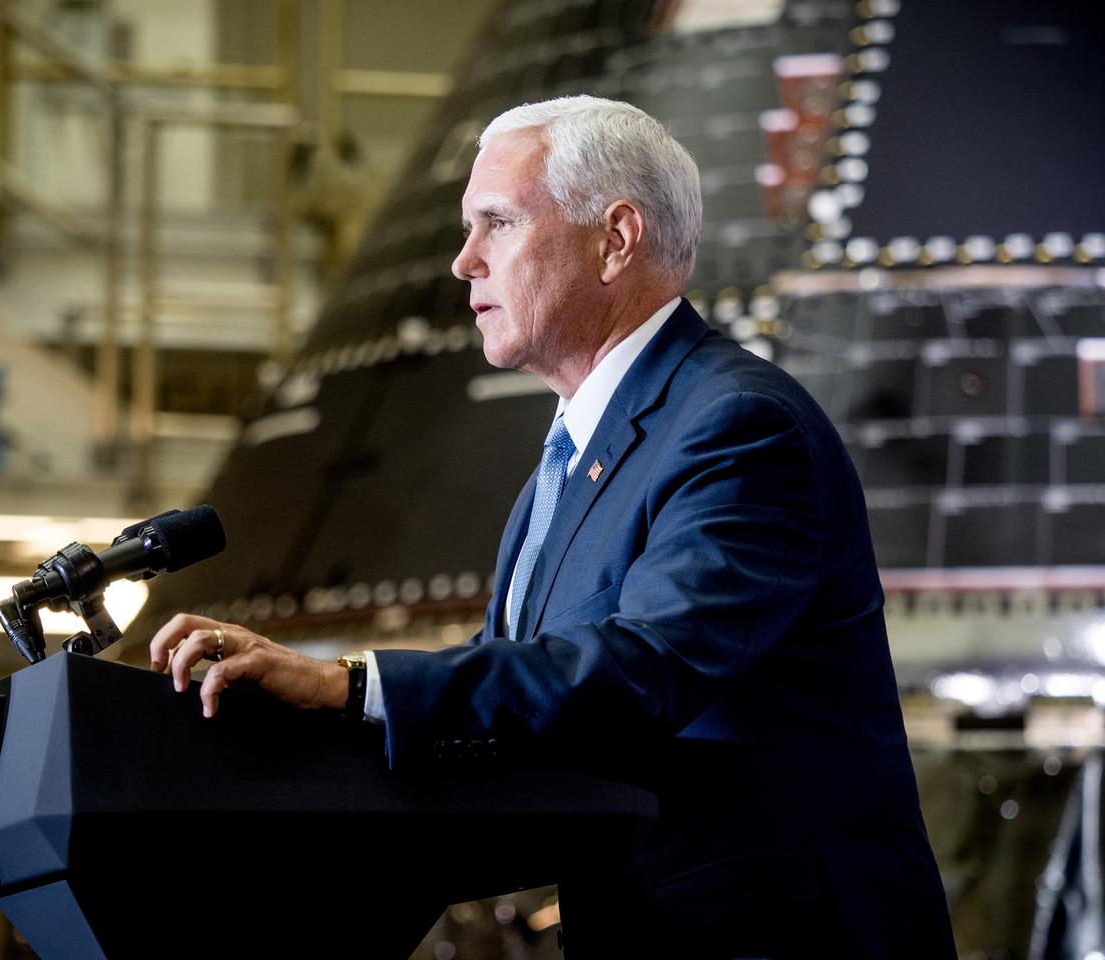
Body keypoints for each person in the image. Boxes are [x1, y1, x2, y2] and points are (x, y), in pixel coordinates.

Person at [150, 96, 955, 957]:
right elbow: (516, 703)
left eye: (496, 223)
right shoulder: (566, 465)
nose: (464, 263)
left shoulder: (740, 427)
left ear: (615, 239)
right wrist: (303, 737)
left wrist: (349, 685)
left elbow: (644, 671)